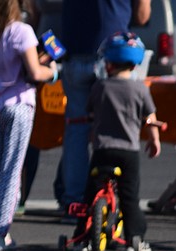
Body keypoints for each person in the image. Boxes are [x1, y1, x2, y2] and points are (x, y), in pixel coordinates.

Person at [0, 0, 58, 251]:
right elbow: (36, 73)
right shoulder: (22, 31)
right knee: (12, 172)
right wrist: (53, 70)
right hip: (19, 104)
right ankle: (1, 234)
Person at [57, 0, 151, 212]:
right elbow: (142, 16)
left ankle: (75, 201)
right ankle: (119, 201)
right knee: (119, 129)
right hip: (115, 56)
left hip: (75, 52)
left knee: (77, 130)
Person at [74, 32, 162, 251]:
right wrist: (154, 141)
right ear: (134, 65)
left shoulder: (100, 87)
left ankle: (82, 237)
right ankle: (136, 239)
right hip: (128, 152)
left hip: (103, 150)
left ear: (108, 63)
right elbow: (150, 120)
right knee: (130, 198)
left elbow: (91, 114)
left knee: (90, 194)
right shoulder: (141, 89)